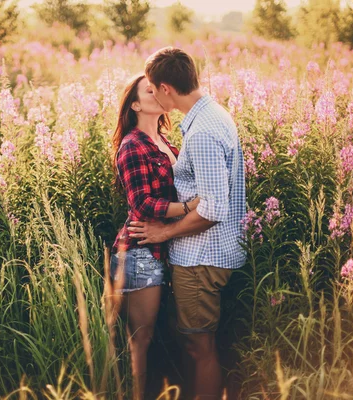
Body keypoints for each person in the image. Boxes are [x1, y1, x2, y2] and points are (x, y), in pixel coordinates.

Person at [128, 47, 247, 400]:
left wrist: (163, 231)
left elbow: (211, 209)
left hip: (200, 257)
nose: (151, 93)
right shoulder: (211, 115)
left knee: (199, 347)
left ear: (166, 88)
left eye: (153, 87)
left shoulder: (203, 132)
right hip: (205, 253)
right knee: (197, 343)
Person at [110, 74, 200, 400]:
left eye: (159, 88)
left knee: (162, 337)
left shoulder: (165, 140)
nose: (158, 92)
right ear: (135, 104)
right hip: (139, 254)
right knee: (140, 342)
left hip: (161, 249)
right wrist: (192, 207)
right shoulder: (132, 145)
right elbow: (143, 203)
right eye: (149, 91)